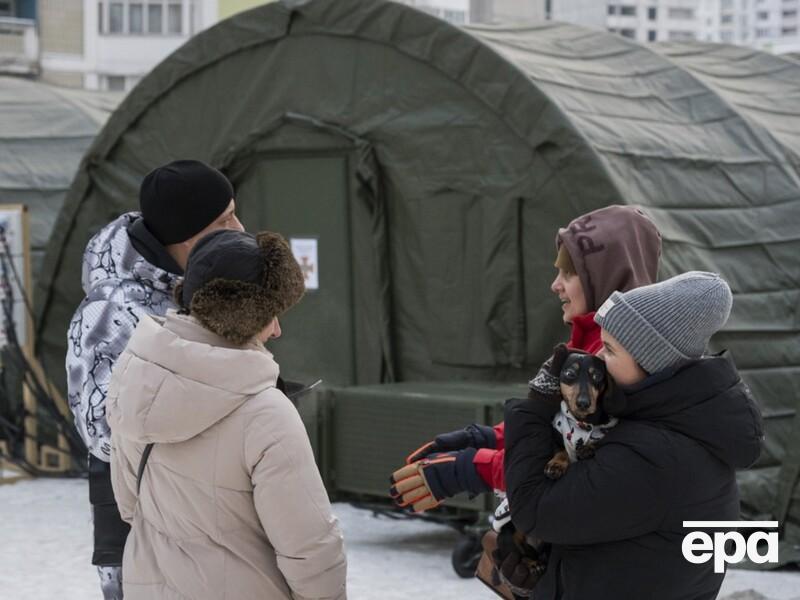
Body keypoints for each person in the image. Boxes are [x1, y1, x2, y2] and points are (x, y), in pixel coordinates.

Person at [106, 229, 347, 600]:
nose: (277, 329)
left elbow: (129, 507)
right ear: (241, 316)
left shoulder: (135, 381)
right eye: (270, 315)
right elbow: (310, 547)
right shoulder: (266, 413)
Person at [502, 272, 764, 600]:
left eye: (610, 349)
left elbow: (536, 511)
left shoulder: (652, 455)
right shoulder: (684, 427)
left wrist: (536, 406)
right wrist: (546, 574)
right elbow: (621, 545)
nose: (598, 358)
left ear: (651, 362)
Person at [390, 205, 661, 511]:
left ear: (604, 276)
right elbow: (551, 422)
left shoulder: (621, 355)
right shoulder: (588, 338)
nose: (555, 285)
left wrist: (471, 468)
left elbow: (579, 461)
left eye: (569, 273)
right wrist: (487, 438)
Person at [66, 160, 244, 599]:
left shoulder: (199, 286)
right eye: (225, 220)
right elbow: (104, 433)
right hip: (138, 528)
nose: (240, 228)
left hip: (207, 515)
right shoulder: (109, 311)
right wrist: (215, 401)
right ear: (188, 235)